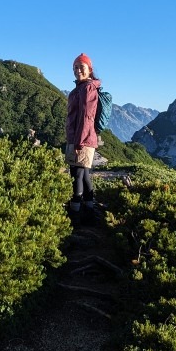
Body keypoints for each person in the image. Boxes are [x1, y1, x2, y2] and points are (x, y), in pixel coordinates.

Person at [65, 53, 100, 225]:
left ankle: (75, 214)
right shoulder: (79, 88)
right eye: (75, 68)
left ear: (89, 70)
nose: (78, 70)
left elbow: (87, 116)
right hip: (80, 138)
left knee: (77, 175)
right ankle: (89, 210)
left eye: (81, 67)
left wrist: (79, 140)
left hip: (82, 139)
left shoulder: (87, 88)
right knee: (84, 175)